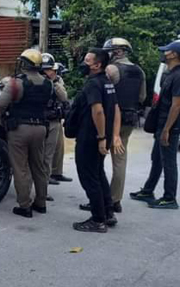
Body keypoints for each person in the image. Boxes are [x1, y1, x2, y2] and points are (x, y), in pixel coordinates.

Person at [81, 38, 145, 214]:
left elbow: (104, 96)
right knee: (120, 160)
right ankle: (115, 199)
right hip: (130, 119)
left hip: (110, 120)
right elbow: (142, 97)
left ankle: (101, 200)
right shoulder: (139, 71)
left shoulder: (110, 70)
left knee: (97, 159)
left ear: (115, 52)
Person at [0, 49, 54, 218]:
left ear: (24, 64)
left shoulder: (16, 83)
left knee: (20, 168)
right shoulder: (48, 83)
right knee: (39, 166)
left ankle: (24, 205)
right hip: (41, 129)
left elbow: (0, 104)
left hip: (20, 129)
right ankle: (41, 203)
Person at [72, 48, 124, 233]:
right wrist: (113, 135)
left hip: (91, 137)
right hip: (101, 136)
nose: (83, 63)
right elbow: (116, 108)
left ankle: (98, 220)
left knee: (89, 177)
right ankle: (108, 212)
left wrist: (101, 137)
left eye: (87, 60)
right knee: (98, 173)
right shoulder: (107, 82)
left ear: (97, 64)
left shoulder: (93, 84)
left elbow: (98, 110)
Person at [130, 40, 180, 209]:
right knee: (157, 159)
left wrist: (167, 129)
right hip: (162, 124)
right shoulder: (170, 73)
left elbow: (177, 105)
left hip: (169, 126)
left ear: (174, 54)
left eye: (167, 51)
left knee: (169, 162)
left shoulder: (178, 76)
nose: (164, 53)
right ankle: (148, 190)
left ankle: (169, 197)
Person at [40, 53, 70, 197]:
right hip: (41, 121)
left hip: (54, 119)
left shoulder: (56, 81)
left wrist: (54, 81)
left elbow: (64, 97)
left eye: (49, 69)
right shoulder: (36, 81)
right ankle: (42, 188)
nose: (48, 72)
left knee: (55, 151)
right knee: (44, 156)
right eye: (45, 69)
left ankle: (54, 174)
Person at [50, 63, 73, 184]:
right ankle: (47, 175)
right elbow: (64, 96)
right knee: (48, 150)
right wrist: (55, 83)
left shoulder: (58, 81)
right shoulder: (49, 82)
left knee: (59, 148)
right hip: (48, 120)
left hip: (57, 118)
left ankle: (57, 172)